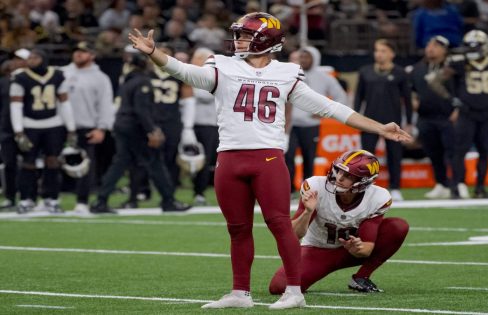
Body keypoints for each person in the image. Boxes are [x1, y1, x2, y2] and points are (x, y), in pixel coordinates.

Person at [128, 11, 411, 310]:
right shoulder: (221, 66)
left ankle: (294, 290)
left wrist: (379, 127)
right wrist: (155, 54)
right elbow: (186, 72)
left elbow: (330, 108)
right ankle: (240, 292)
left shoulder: (286, 73)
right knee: (237, 228)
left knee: (279, 225)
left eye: (246, 35)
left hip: (267, 158)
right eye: (238, 34)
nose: (238, 40)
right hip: (229, 158)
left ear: (265, 40)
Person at [268, 149, 409, 294]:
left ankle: (361, 277)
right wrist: (307, 212)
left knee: (397, 227)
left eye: (348, 175)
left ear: (363, 181)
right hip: (317, 250)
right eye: (339, 170)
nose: (339, 178)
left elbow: (367, 248)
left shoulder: (378, 197)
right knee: (279, 287)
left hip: (348, 251)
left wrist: (358, 249)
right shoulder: (316, 187)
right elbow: (293, 235)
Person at [89, 48, 190, 214]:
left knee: (120, 163)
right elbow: (141, 110)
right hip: (135, 128)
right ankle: (168, 200)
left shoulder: (128, 81)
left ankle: (101, 200)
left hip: (123, 125)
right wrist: (152, 130)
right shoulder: (143, 82)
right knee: (155, 162)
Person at [428, 30, 488, 199]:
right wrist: (452, 99)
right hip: (467, 112)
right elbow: (435, 81)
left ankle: (480, 188)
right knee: (459, 151)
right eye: (469, 47)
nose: (472, 51)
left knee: (485, 151)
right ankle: (455, 187)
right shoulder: (459, 61)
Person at [10, 49, 77, 213]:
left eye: (35, 57)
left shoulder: (57, 75)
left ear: (43, 58)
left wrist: (71, 128)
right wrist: (18, 131)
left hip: (53, 124)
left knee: (53, 162)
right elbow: (16, 105)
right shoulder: (20, 77)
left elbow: (64, 103)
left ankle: (51, 198)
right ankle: (26, 199)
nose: (31, 60)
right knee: (28, 163)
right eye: (30, 58)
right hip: (30, 124)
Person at [354, 38, 413, 202]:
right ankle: (366, 187)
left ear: (392, 54)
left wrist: (408, 122)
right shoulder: (365, 71)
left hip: (393, 121)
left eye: (383, 51)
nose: (378, 54)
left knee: (395, 155)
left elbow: (407, 99)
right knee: (366, 156)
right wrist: (355, 116)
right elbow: (359, 96)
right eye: (376, 50)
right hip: (369, 121)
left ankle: (395, 187)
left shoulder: (400, 73)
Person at [285, 46, 347, 195]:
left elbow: (341, 96)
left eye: (307, 57)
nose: (303, 60)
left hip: (311, 125)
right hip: (289, 125)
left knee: (309, 158)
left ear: (315, 58)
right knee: (288, 156)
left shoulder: (324, 77)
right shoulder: (291, 74)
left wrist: (324, 114)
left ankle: (307, 189)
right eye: (301, 57)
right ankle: (290, 189)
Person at [61, 41, 115, 213]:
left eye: (83, 51)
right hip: (59, 125)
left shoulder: (100, 77)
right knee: (52, 162)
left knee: (85, 166)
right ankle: (50, 198)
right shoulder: (61, 73)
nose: (78, 54)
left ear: (92, 55)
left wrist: (102, 127)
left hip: (86, 126)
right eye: (76, 50)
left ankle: (82, 201)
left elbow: (105, 105)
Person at [410, 36, 455, 199]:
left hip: (448, 116)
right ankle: (441, 183)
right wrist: (414, 101)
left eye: (436, 46)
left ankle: (457, 183)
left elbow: (460, 89)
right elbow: (412, 89)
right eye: (429, 44)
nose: (431, 48)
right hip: (426, 117)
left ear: (444, 49)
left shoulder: (452, 67)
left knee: (452, 152)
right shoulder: (418, 68)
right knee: (433, 152)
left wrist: (457, 109)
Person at [188, 47, 219, 206]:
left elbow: (206, 95)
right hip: (190, 124)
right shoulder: (190, 75)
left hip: (209, 125)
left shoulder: (213, 76)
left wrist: (190, 90)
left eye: (199, 57)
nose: (195, 60)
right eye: (195, 57)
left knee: (205, 160)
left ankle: (199, 192)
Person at [0, 49, 30, 210]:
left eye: (21, 59)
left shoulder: (32, 81)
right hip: (6, 129)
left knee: (29, 164)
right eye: (15, 59)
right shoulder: (4, 82)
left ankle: (28, 197)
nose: (17, 62)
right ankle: (10, 197)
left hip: (29, 128)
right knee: (9, 164)